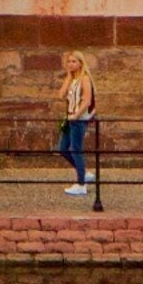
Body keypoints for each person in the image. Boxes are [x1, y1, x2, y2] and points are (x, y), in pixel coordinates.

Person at [58, 51, 97, 194]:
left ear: (80, 63)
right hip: (70, 118)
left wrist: (76, 115)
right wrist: (68, 77)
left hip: (78, 119)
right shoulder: (73, 79)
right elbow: (61, 95)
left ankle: (81, 184)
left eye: (74, 61)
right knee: (63, 148)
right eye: (69, 61)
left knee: (76, 150)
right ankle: (84, 173)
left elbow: (87, 100)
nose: (70, 64)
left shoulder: (85, 79)